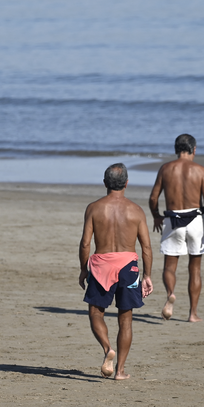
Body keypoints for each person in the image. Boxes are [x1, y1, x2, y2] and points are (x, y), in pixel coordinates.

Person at [79, 163, 153, 380]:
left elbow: (85, 243)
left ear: (105, 183)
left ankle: (107, 348)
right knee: (126, 319)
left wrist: (83, 269)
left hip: (101, 265)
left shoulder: (94, 208)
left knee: (96, 313)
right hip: (128, 267)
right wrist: (147, 275)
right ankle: (119, 371)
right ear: (127, 183)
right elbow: (146, 247)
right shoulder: (136, 210)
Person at [148, 134, 204, 322]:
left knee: (170, 267)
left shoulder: (166, 169)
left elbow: (153, 197)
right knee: (195, 269)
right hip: (195, 221)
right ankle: (193, 314)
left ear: (176, 149)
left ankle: (170, 293)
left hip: (173, 219)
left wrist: (156, 216)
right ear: (194, 149)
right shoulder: (201, 171)